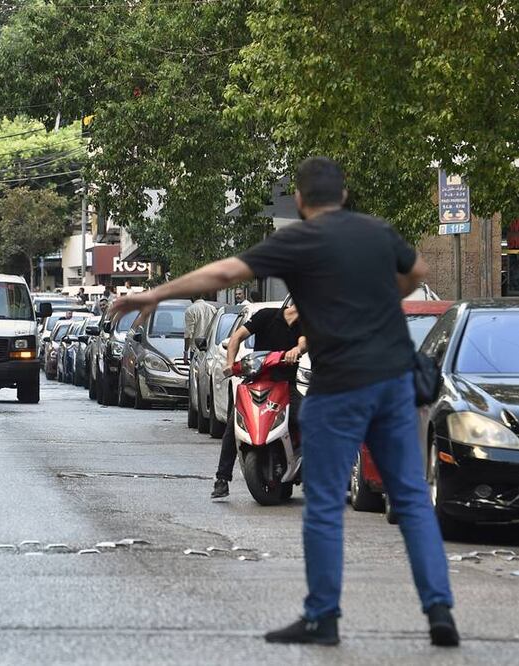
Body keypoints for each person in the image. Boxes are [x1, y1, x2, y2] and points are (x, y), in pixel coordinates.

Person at [111, 156, 457, 647]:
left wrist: (154, 295)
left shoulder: (299, 240)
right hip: (395, 382)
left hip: (339, 386)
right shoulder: (377, 232)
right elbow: (415, 271)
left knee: (322, 502)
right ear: (345, 193)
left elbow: (224, 273)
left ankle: (323, 616)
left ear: (299, 200)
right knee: (411, 497)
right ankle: (439, 610)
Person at [211, 303, 305, 499]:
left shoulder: (305, 324)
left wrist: (296, 350)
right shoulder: (265, 316)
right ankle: (222, 479)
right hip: (257, 382)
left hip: (285, 385)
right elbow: (237, 337)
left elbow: (305, 342)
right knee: (233, 426)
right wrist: (230, 364)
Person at [182, 294, 216, 361]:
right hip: (210, 349)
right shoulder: (212, 309)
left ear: (192, 296)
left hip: (196, 350)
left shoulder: (190, 310)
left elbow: (189, 334)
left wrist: (186, 352)